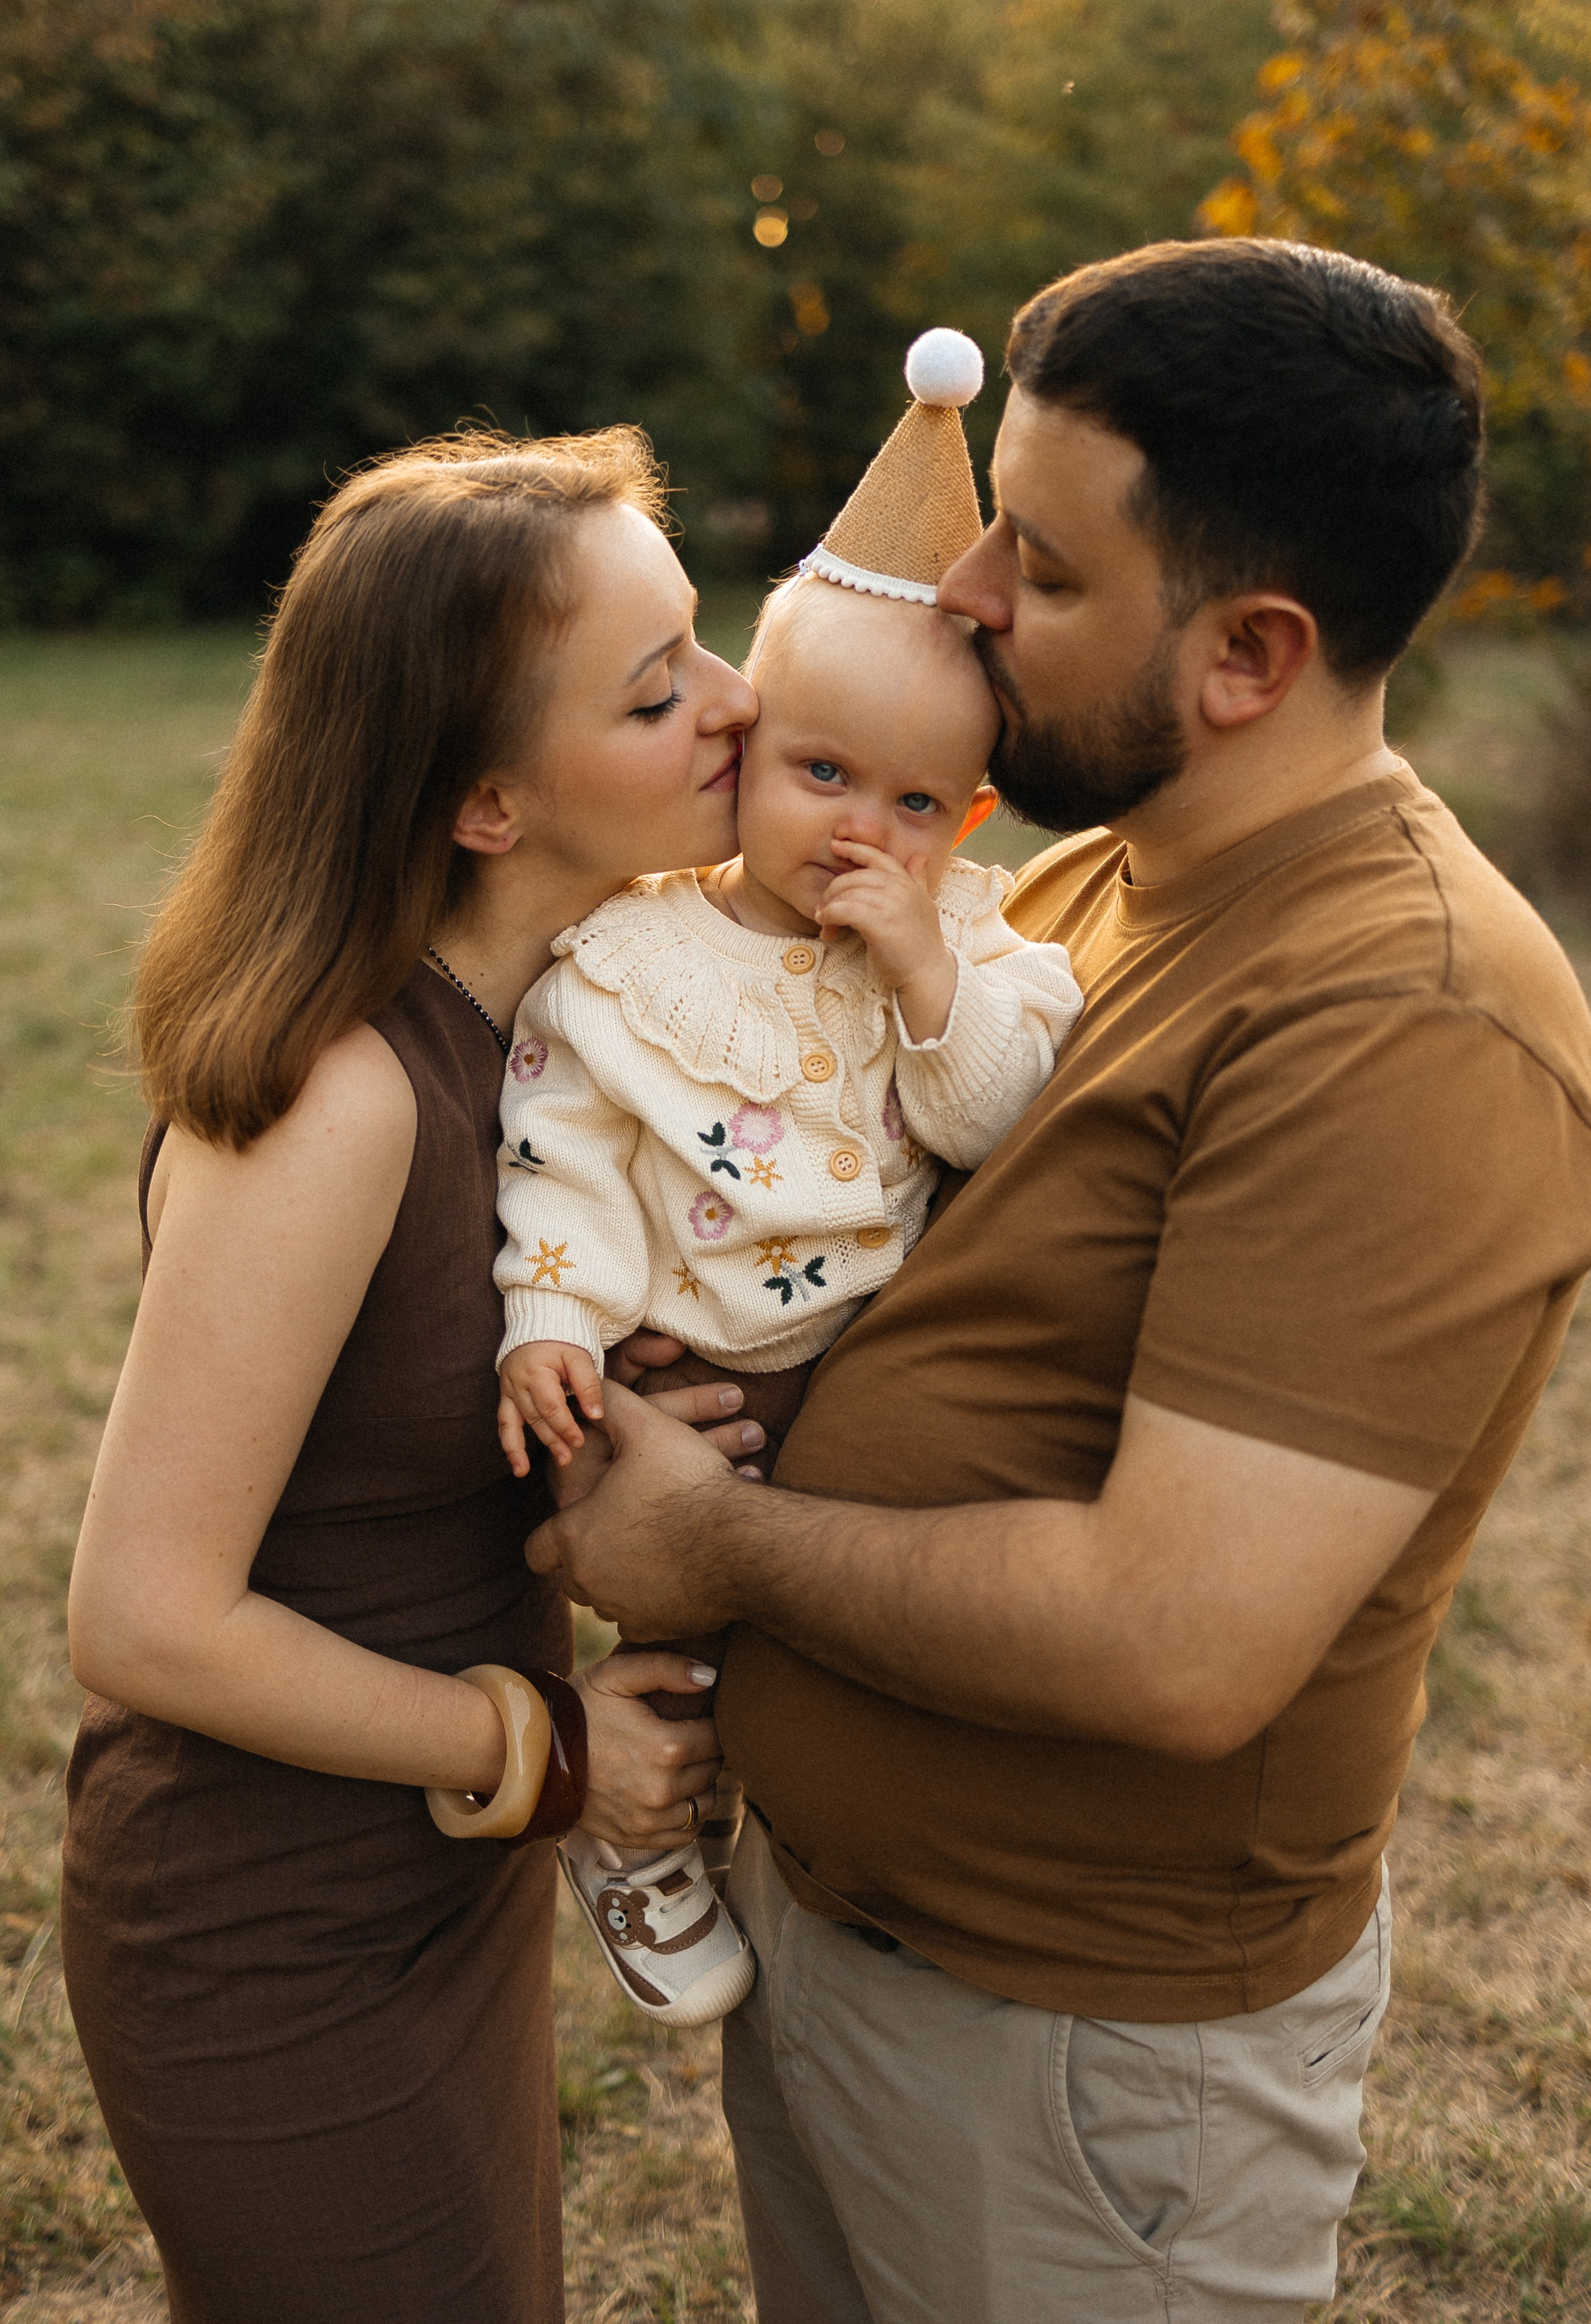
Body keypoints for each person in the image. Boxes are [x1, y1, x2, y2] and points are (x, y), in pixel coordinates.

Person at [526, 241, 1591, 2322]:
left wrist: (712, 1540)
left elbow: (1178, 1641)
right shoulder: (1093, 872)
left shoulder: (1408, 1019)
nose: (969, 598)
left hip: (1081, 2067)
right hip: (846, 1938)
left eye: (1046, 566)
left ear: (1251, 652)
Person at [60, 425, 773, 2324]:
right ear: (484, 803)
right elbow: (140, 1618)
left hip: (435, 1897)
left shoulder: (560, 1026)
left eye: (704, 642)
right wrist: (543, 1753)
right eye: (660, 690)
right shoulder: (337, 1093)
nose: (740, 700)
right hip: (267, 1925)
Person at [493, 334, 1084, 2027]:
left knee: (840, 1615)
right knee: (679, 1637)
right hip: (683, 1351)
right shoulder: (636, 953)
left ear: (970, 815)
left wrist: (925, 984)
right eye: (821, 774)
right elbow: (563, 1142)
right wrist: (552, 1313)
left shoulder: (977, 946)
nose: (860, 834)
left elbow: (994, 1122)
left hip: (868, 1358)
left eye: (916, 802)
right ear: (747, 750)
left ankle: (799, 1808)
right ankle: (647, 1835)